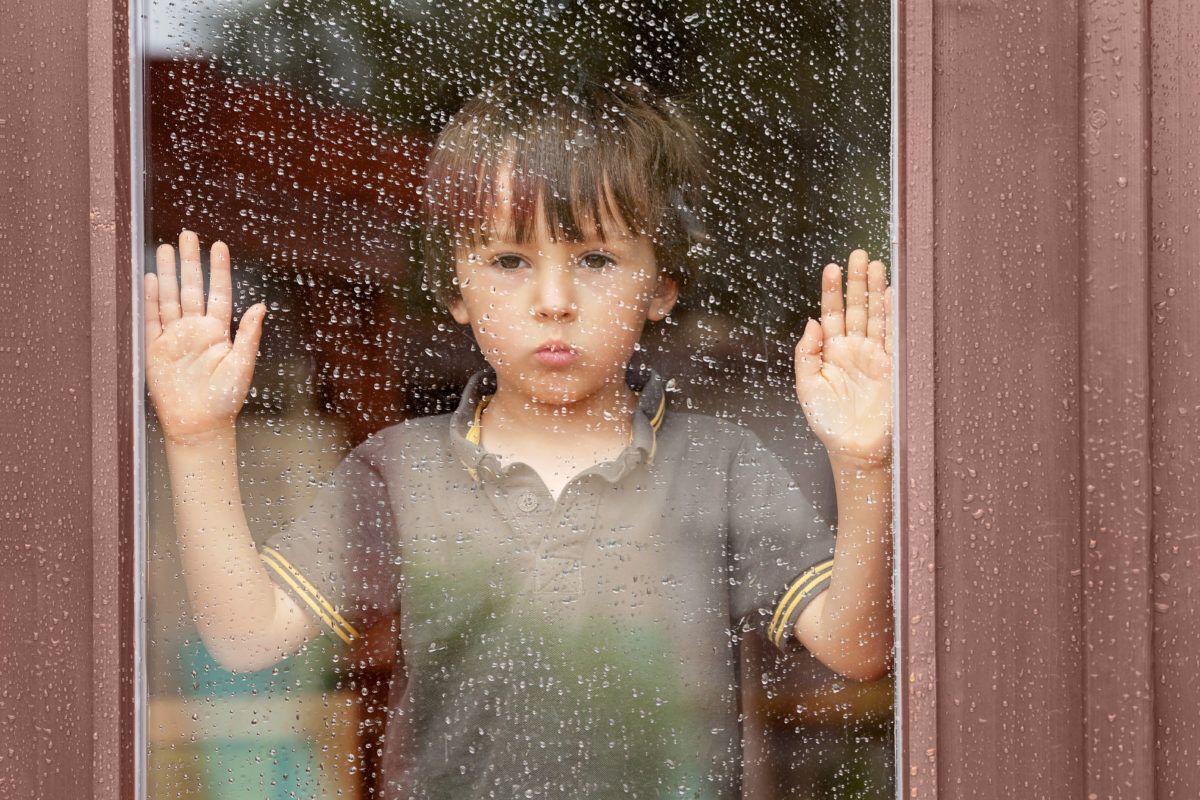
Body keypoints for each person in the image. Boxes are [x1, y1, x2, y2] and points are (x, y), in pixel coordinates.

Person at [144, 75, 893, 799]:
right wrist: (198, 436)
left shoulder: (720, 463)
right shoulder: (402, 471)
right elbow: (247, 639)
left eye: (596, 259)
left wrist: (864, 463)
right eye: (509, 261)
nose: (555, 301)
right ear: (453, 285)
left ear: (662, 283)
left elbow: (859, 648)